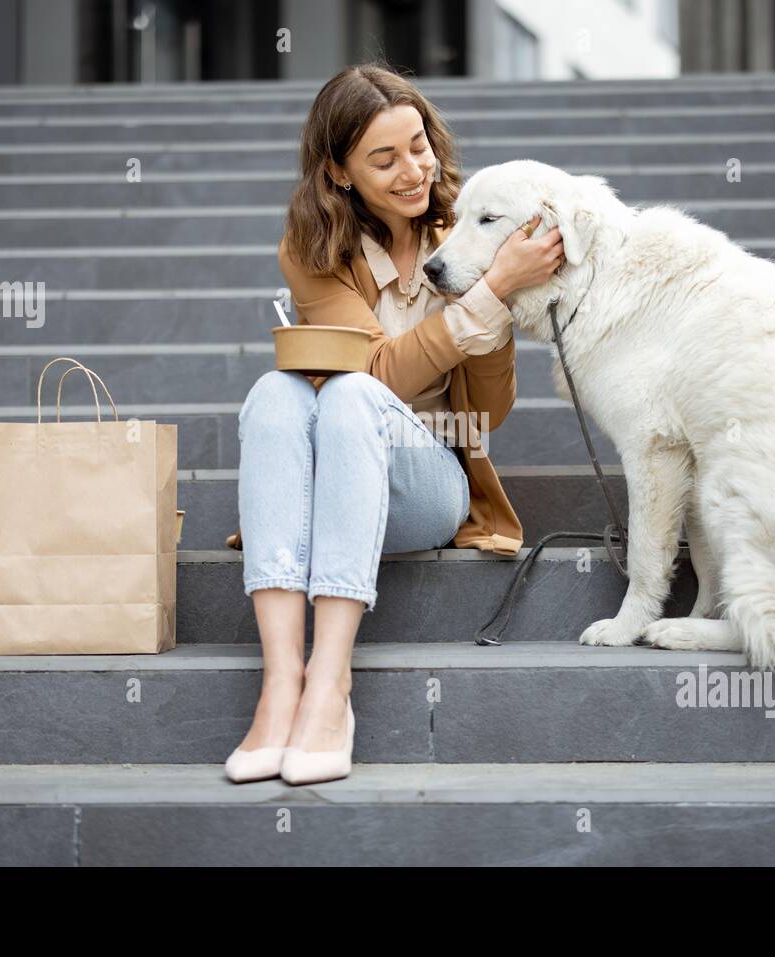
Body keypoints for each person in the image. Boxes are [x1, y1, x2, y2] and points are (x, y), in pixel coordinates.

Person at [224, 63, 564, 785]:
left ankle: (331, 680)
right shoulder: (313, 249)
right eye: (385, 159)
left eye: (419, 146)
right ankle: (284, 680)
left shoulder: (470, 230)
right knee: (276, 395)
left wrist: (492, 295)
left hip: (429, 480)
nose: (414, 171)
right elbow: (373, 372)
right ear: (339, 173)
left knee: (346, 397)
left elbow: (489, 413)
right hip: (331, 475)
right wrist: (486, 299)